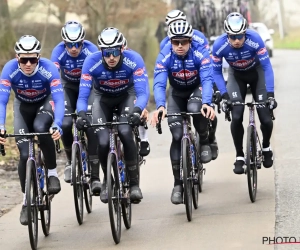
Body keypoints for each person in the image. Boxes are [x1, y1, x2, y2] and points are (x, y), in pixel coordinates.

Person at [76, 27, 150, 203]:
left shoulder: (134, 60)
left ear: (122, 49)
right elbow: (83, 95)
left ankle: (134, 185)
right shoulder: (91, 62)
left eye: (115, 52)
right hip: (103, 99)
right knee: (101, 140)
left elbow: (142, 92)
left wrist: (137, 110)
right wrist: (81, 114)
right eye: (107, 53)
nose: (111, 57)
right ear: (101, 51)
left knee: (125, 132)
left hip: (127, 96)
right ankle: (107, 180)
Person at [0, 35, 64, 225]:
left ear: (39, 57)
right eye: (23, 59)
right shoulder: (9, 69)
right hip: (22, 107)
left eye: (33, 59)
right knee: (23, 154)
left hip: (44, 104)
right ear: (17, 57)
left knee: (41, 127)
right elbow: (2, 101)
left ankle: (52, 174)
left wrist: (58, 124)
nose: (28, 64)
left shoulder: (48, 69)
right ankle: (26, 201)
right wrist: (1, 126)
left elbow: (59, 99)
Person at [150, 20, 215, 205]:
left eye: (184, 42)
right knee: (177, 135)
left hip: (196, 89)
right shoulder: (165, 55)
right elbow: (160, 83)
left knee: (196, 110)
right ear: (170, 42)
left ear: (190, 41)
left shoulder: (199, 52)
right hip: (177, 94)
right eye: (175, 42)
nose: (179, 46)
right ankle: (178, 184)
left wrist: (207, 102)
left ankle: (203, 141)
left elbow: (208, 79)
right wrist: (161, 105)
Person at [212, 12, 277, 174]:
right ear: (227, 34)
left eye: (240, 36)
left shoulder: (255, 39)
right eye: (232, 37)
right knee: (236, 114)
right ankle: (240, 155)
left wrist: (270, 94)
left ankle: (267, 147)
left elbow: (267, 67)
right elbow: (216, 72)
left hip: (257, 73)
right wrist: (225, 95)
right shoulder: (219, 45)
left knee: (265, 118)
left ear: (245, 33)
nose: (236, 40)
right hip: (237, 76)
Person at [161, 9, 220, 160]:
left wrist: (213, 90)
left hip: (199, 78)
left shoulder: (198, 38)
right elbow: (164, 69)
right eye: (171, 24)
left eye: (178, 22)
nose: (176, 26)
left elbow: (208, 64)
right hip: (178, 82)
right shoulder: (165, 44)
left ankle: (209, 138)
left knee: (202, 108)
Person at [50, 21, 102, 194]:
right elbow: (52, 76)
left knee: (90, 125)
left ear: (83, 42)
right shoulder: (58, 52)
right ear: (64, 43)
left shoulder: (91, 50)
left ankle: (95, 177)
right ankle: (70, 161)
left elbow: (101, 72)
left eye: (77, 44)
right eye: (70, 45)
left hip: (89, 88)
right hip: (67, 87)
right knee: (65, 124)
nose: (73, 48)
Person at [123, 38, 150, 157]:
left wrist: (142, 106)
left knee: (138, 109)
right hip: (117, 90)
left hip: (134, 88)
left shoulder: (134, 58)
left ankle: (144, 138)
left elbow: (144, 85)